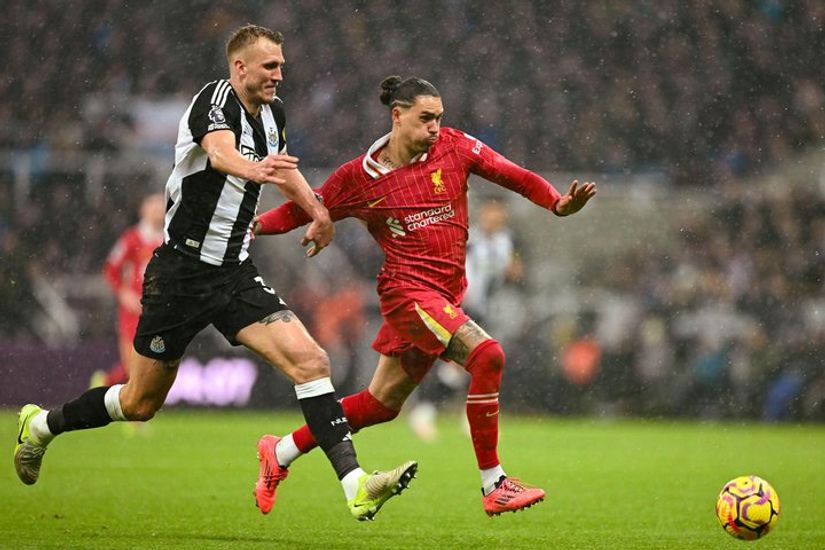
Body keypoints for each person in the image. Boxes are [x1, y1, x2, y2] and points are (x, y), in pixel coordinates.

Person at [13, 25, 416, 522]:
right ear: (239, 67)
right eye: (270, 66)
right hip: (179, 274)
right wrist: (256, 170)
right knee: (140, 403)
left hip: (233, 272)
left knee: (311, 362)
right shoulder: (214, 101)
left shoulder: (274, 114)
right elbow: (223, 153)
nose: (279, 74)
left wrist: (319, 211)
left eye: (282, 66)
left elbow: (283, 168)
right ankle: (42, 426)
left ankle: (356, 485)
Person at [254, 75, 597, 516]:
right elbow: (305, 207)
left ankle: (278, 452)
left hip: (445, 295)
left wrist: (555, 202)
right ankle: (494, 483)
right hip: (407, 293)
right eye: (426, 118)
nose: (436, 127)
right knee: (488, 356)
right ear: (397, 117)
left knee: (380, 405)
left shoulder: (454, 147)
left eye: (439, 118)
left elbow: (513, 174)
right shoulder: (360, 178)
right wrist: (255, 226)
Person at [407, 197, 525, 442]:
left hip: (491, 310)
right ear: (483, 213)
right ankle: (440, 413)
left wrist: (514, 271)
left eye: (499, 212)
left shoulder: (508, 240)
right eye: (491, 211)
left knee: (468, 366)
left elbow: (515, 269)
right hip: (463, 306)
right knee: (466, 364)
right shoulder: (468, 236)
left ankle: (436, 412)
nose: (495, 216)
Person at [92, 192, 165, 388]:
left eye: (161, 208)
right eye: (154, 208)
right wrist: (124, 294)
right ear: (143, 211)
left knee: (148, 362)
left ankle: (105, 384)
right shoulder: (132, 239)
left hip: (157, 310)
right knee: (132, 363)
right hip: (133, 311)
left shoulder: (168, 239)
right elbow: (111, 269)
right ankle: (133, 412)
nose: (158, 213)